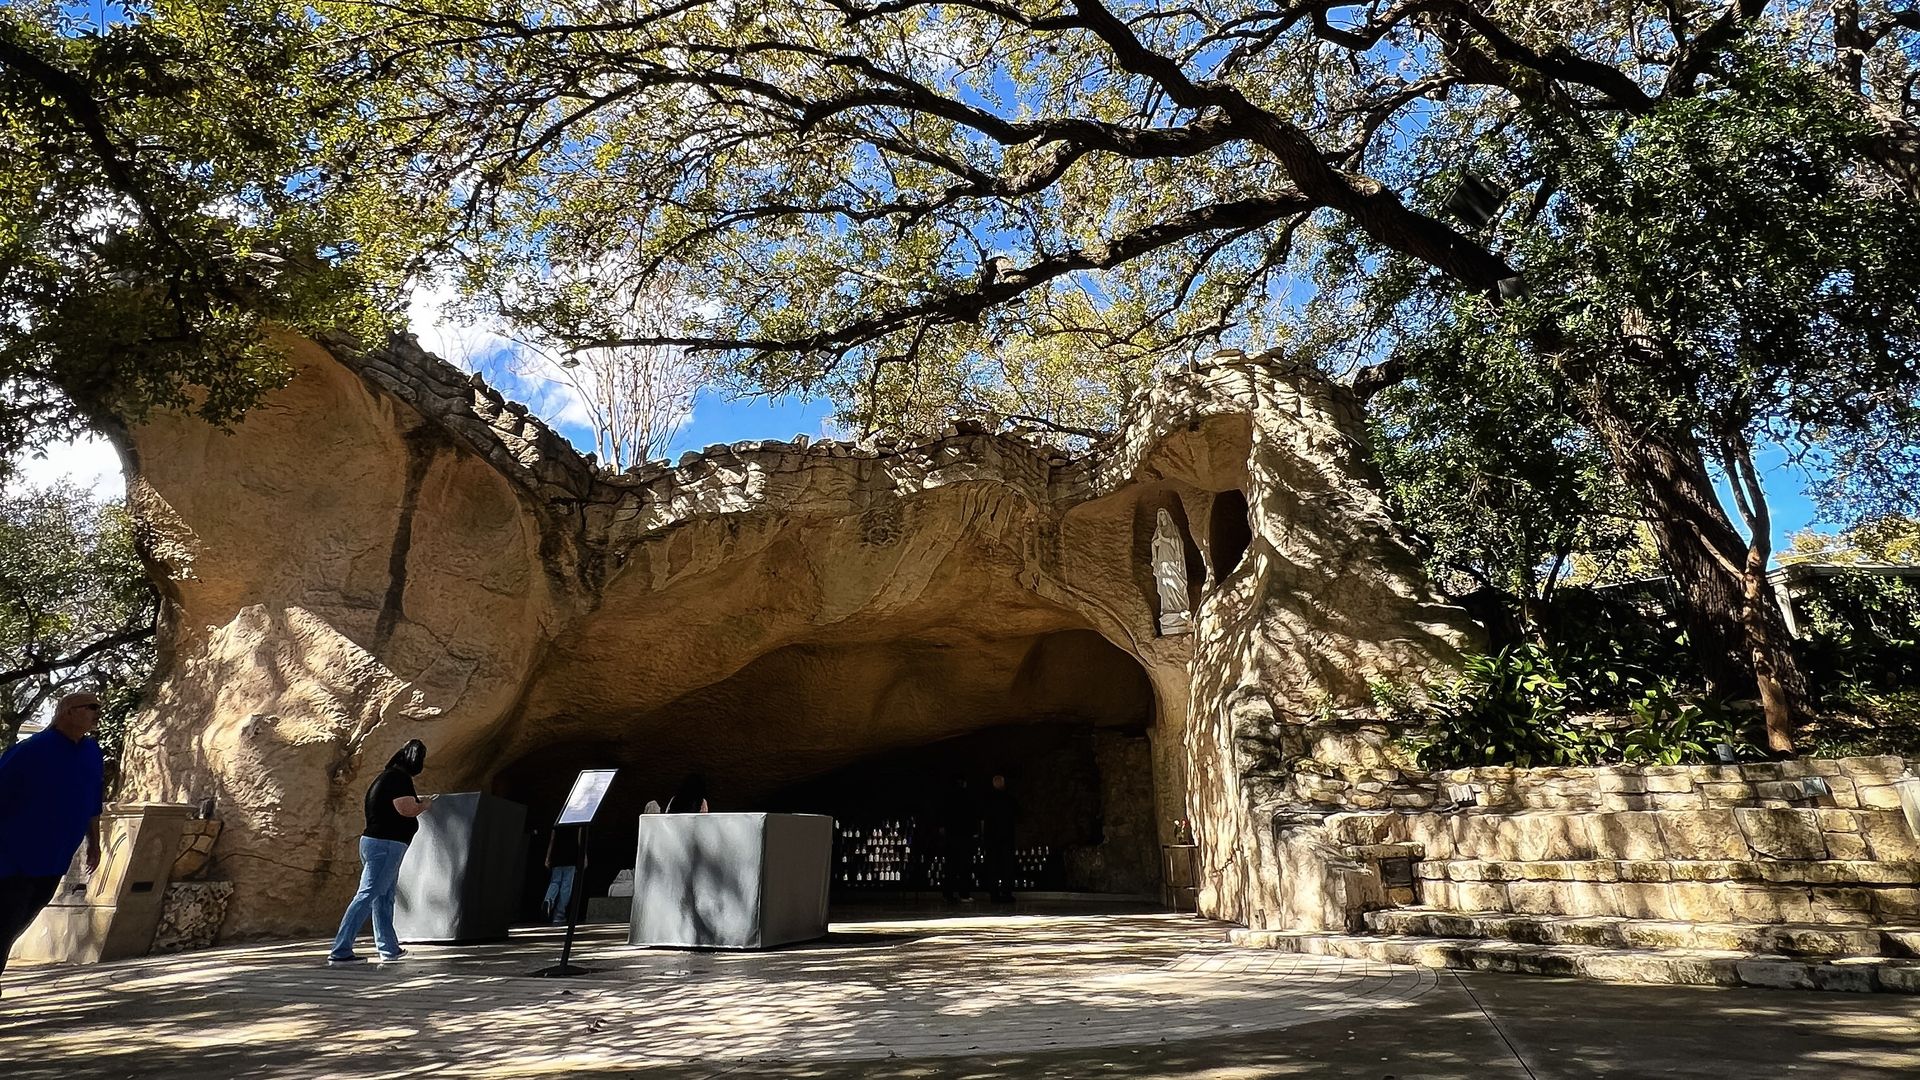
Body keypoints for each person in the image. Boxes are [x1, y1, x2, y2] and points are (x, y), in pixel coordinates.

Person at [0, 692, 106, 986]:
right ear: (68, 712)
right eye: (92, 707)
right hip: (13, 861)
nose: (98, 713)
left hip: (54, 861)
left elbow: (92, 803)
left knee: (13, 929)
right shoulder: (30, 751)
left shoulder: (92, 753)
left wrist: (94, 844)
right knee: (4, 927)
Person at [327, 739, 435, 965]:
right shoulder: (398, 779)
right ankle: (341, 950)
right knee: (367, 895)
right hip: (386, 844)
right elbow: (406, 809)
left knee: (383, 898)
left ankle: (389, 949)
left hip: (377, 843)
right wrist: (423, 805)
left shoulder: (386, 777)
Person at [938, 775, 976, 902]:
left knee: (950, 866)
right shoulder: (968, 797)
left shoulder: (947, 797)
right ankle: (964, 894)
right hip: (965, 835)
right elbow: (972, 816)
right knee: (965, 867)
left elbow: (943, 815)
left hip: (952, 835)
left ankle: (948, 894)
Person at [982, 774, 1019, 903]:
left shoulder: (988, 801)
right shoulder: (1010, 800)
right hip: (1006, 838)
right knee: (1006, 866)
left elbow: (984, 820)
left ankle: (994, 894)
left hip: (992, 838)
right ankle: (1006, 893)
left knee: (993, 866)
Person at [542, 824, 583, 925]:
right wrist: (583, 857)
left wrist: (548, 857)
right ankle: (559, 915)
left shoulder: (557, 824)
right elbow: (579, 841)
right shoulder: (578, 824)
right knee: (566, 887)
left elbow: (552, 840)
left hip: (557, 857)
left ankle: (549, 899)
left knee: (555, 882)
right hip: (571, 858)